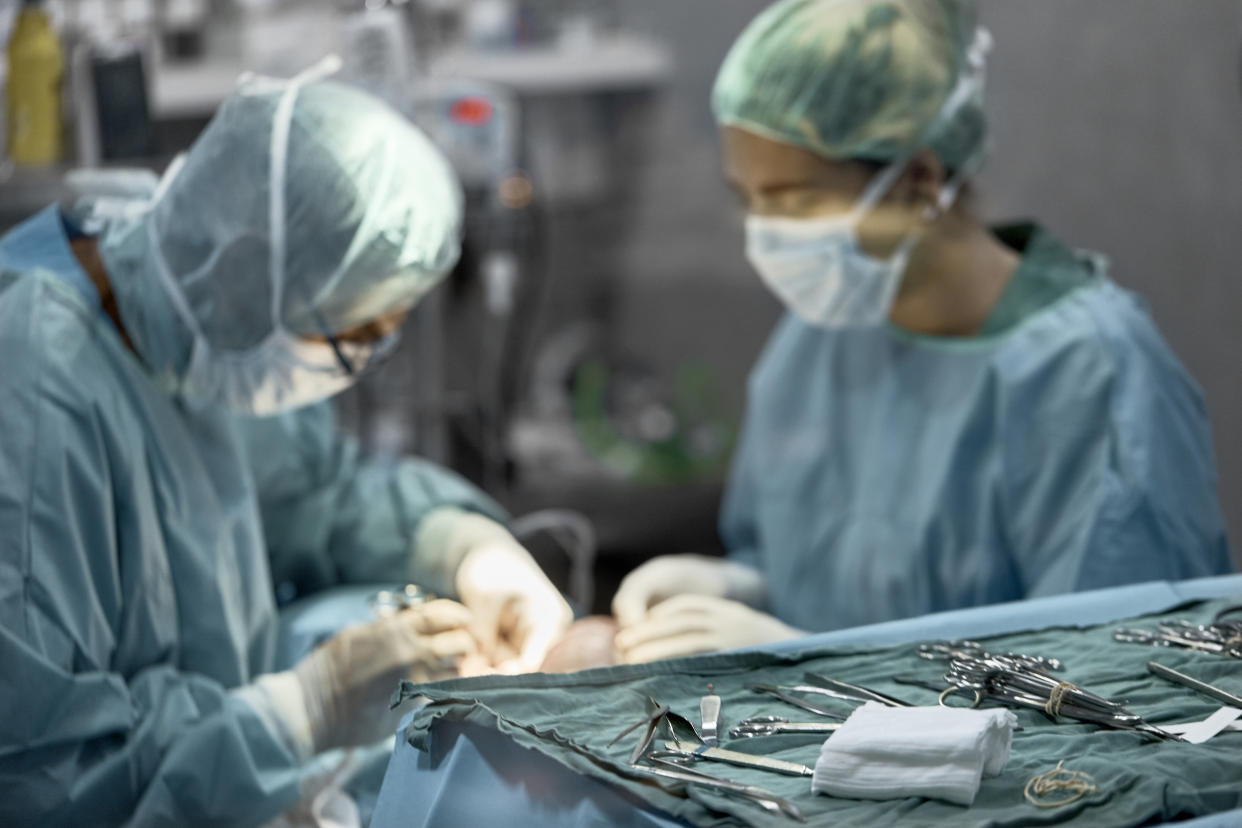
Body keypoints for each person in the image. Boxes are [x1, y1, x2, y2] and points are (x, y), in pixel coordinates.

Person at [0, 64, 571, 826]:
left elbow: (310, 495)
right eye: (353, 336)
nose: (362, 360)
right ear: (248, 285)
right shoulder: (36, 391)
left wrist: (464, 547)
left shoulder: (199, 310)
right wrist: (301, 710)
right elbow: (39, 777)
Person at [613, 0, 1232, 664]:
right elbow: (830, 572)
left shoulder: (1092, 373)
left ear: (918, 181)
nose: (763, 232)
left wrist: (828, 661)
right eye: (747, 198)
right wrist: (744, 586)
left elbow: (1127, 672)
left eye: (794, 201)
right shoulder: (825, 332)